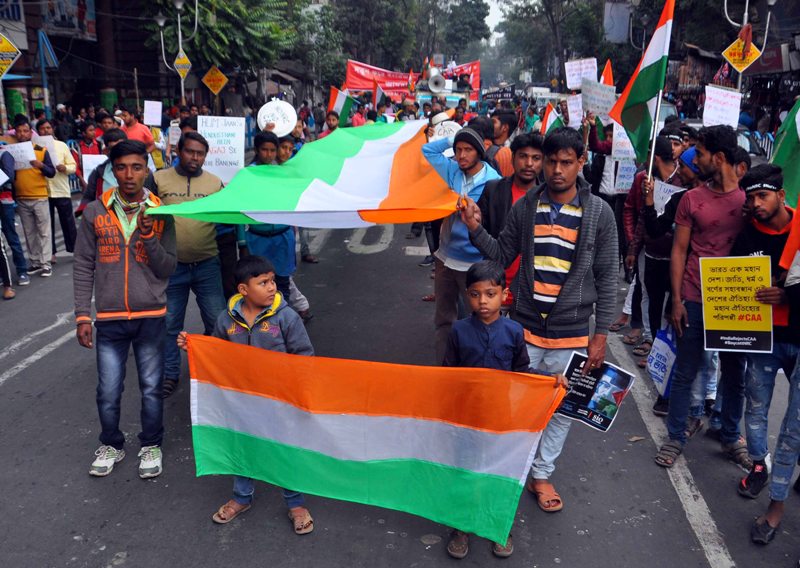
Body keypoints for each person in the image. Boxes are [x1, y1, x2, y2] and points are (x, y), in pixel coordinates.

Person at [459, 127, 618, 511]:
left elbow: (607, 276)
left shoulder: (600, 213)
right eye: (551, 161)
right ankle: (507, 470)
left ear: (581, 162)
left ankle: (541, 475)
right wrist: (475, 227)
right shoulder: (527, 207)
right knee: (513, 404)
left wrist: (600, 336)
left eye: (566, 162)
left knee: (561, 409)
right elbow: (501, 255)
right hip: (525, 328)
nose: (557, 170)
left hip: (572, 334)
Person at [176, 255, 315, 534]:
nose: (272, 287)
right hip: (241, 400)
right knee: (243, 447)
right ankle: (242, 497)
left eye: (272, 281)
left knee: (283, 450)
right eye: (263, 283)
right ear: (243, 290)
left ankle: (296, 504)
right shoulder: (226, 319)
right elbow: (216, 352)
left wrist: (298, 392)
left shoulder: (286, 317)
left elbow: (304, 356)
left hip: (278, 400)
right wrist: (194, 347)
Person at [442, 260, 568, 559]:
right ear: (467, 295)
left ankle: (498, 525)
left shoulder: (513, 331)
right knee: (466, 470)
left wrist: (549, 379)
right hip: (467, 417)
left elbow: (522, 371)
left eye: (490, 294)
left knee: (499, 472)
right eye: (475, 294)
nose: (483, 301)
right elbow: (448, 375)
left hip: (502, 419)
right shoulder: (459, 330)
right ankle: (461, 526)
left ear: (504, 294)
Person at [73, 139, 177, 479]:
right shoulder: (95, 211)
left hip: (151, 317)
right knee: (108, 390)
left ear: (147, 171)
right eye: (121, 168)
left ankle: (151, 445)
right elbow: (83, 265)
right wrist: (82, 315)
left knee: (151, 387)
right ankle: (111, 444)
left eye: (136, 167)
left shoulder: (161, 212)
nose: (129, 175)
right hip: (110, 318)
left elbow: (167, 267)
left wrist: (149, 237)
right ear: (112, 172)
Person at [655, 125, 750, 468]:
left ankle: (729, 435)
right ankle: (675, 436)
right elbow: (679, 251)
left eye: (702, 154)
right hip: (694, 297)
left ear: (719, 158)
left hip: (736, 302)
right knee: (686, 370)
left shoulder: (749, 201)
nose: (695, 160)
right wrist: (677, 300)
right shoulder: (691, 199)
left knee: (735, 373)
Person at [728, 165, 796, 501]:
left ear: (781, 195)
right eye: (751, 197)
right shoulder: (747, 236)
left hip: (798, 334)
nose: (756, 203)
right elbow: (731, 282)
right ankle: (759, 466)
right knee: (755, 406)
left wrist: (787, 295)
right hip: (762, 338)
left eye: (763, 196)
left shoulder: (799, 229)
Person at [156, 132, 226, 399]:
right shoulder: (158, 179)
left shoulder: (215, 183)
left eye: (200, 153)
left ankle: (213, 371)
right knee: (169, 324)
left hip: (207, 264)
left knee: (217, 321)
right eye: (190, 151)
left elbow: (228, 222)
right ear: (178, 151)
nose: (195, 157)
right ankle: (169, 374)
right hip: (172, 266)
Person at [422, 127, 502, 363]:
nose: (461, 155)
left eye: (468, 149)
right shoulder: (452, 171)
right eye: (458, 150)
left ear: (479, 152)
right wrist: (452, 137)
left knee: (477, 320)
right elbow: (427, 151)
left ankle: (473, 370)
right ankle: (445, 368)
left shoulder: (493, 182)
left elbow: (496, 224)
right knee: (444, 319)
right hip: (445, 257)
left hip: (474, 264)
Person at [477, 132, 544, 310]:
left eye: (536, 158)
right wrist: (473, 224)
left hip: (531, 294)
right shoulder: (493, 190)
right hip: (494, 288)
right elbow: (479, 238)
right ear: (513, 158)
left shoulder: (549, 198)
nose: (529, 163)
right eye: (523, 156)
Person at [12, 115, 56, 278]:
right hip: (21, 198)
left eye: (25, 131)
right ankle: (35, 262)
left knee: (44, 232)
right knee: (29, 232)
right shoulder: (11, 152)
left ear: (31, 133)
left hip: (40, 196)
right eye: (19, 131)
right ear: (15, 133)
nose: (22, 134)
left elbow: (51, 172)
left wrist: (41, 165)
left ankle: (46, 263)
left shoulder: (40, 150)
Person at [36, 119, 78, 261]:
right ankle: (51, 253)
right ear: (38, 131)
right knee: (46, 225)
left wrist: (65, 168)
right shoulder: (35, 147)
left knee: (68, 222)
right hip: (43, 191)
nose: (46, 131)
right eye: (42, 128)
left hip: (61, 189)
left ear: (52, 129)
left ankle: (74, 250)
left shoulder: (61, 146)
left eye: (48, 128)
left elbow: (73, 166)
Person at [0, 147, 28, 286]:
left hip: (4, 202)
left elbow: (9, 176)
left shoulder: (4, 154)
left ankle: (22, 271)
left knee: (11, 237)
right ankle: (3, 274)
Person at [490, 110, 517, 177]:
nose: (489, 125)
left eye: (493, 122)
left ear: (504, 127)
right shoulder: (485, 145)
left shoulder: (513, 152)